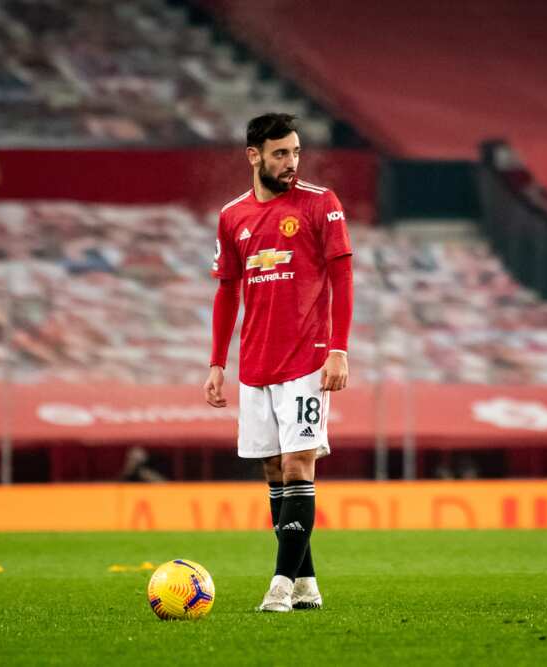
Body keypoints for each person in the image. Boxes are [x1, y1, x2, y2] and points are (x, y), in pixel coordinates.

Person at [203, 113, 353, 612]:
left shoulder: (319, 204)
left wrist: (338, 348)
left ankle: (281, 585)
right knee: (272, 469)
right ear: (254, 156)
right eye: (280, 154)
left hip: (307, 359)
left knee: (298, 463)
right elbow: (226, 291)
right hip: (255, 364)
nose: (291, 163)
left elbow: (342, 279)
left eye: (295, 152)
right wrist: (216, 363)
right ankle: (308, 582)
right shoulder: (232, 217)